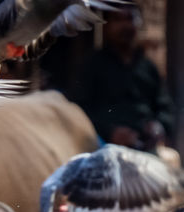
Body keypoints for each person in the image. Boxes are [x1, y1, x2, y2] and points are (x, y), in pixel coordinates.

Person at [69, 7, 175, 151]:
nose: (125, 26)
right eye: (118, 20)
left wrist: (159, 126)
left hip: (144, 148)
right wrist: (110, 132)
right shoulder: (93, 65)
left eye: (129, 19)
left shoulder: (148, 68)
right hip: (103, 146)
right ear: (106, 26)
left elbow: (165, 108)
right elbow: (80, 110)